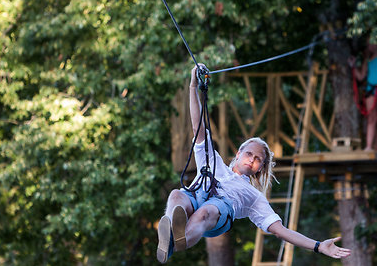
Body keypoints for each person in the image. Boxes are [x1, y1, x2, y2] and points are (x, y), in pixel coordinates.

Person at [156, 64, 352, 264]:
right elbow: (198, 125)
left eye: (258, 159)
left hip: (219, 210)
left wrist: (318, 245)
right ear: (239, 153)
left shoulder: (253, 197)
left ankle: (179, 240)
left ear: (261, 168)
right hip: (196, 195)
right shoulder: (212, 161)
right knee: (176, 195)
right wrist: (192, 87)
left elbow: (281, 231)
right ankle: (171, 232)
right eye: (249, 154)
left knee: (207, 211)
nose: (252, 159)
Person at [349, 39, 377, 151]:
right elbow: (360, 76)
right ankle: (369, 146)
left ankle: (374, 146)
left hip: (372, 90)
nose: (369, 46)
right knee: (371, 119)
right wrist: (353, 66)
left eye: (371, 43)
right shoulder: (367, 60)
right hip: (371, 90)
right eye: (368, 44)